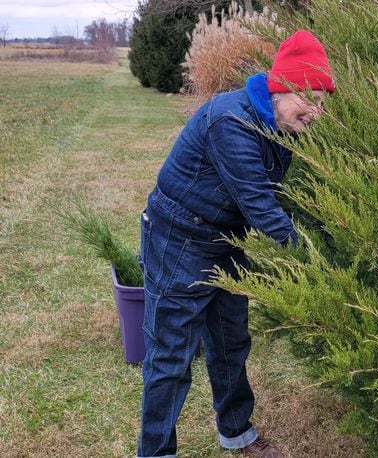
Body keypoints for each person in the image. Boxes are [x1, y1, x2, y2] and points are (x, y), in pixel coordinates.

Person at [137, 30, 334, 458]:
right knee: (171, 357)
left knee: (230, 342)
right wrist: (316, 262)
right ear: (283, 87)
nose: (317, 113)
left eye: (323, 102)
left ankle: (237, 435)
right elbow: (262, 206)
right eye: (310, 99)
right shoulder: (233, 122)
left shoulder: (279, 122)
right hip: (179, 239)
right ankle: (155, 453)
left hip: (227, 238)